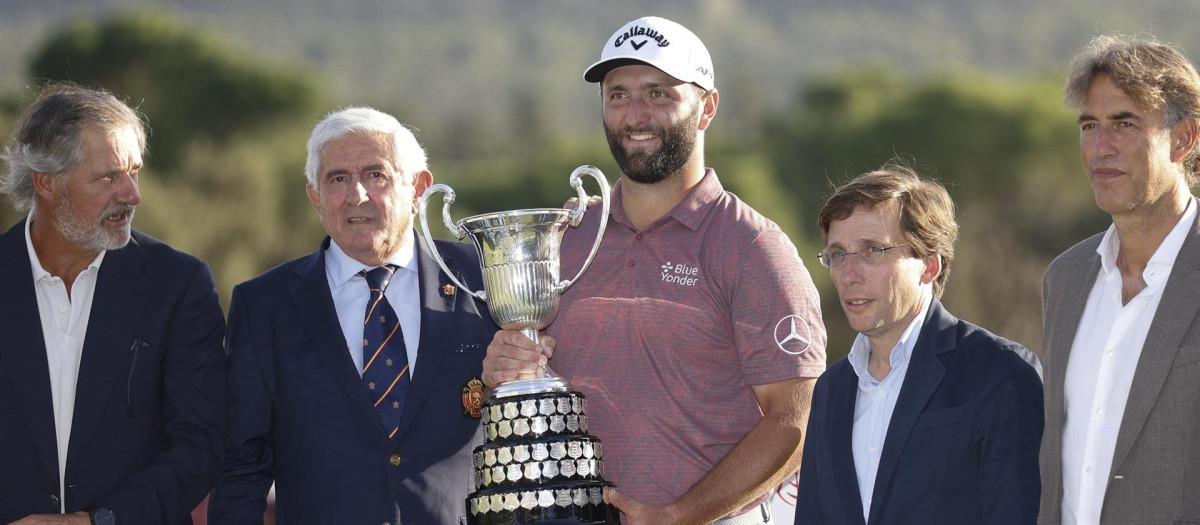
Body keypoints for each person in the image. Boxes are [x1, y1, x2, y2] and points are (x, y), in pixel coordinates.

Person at [482, 16, 827, 525]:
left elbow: (794, 421)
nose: (635, 114)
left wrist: (680, 515)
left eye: (659, 93)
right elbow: (526, 380)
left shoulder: (752, 246)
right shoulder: (567, 236)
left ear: (706, 107)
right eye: (617, 94)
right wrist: (505, 372)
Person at [207, 107, 499, 524]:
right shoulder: (263, 306)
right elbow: (240, 465)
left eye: (376, 174)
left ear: (418, 189)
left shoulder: (484, 278)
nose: (356, 194)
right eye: (337, 179)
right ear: (315, 197)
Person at [0, 84, 227, 524]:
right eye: (108, 177)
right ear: (46, 182)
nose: (132, 194)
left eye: (134, 171)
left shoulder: (179, 284)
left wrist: (97, 521)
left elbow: (200, 445)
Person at [793, 164, 1044, 525]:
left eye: (872, 250)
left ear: (929, 265)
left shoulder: (1001, 373)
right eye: (838, 254)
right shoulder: (831, 390)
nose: (849, 274)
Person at [1039, 34, 1200, 524]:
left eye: (1124, 124)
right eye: (1089, 126)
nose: (1100, 147)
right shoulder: (1063, 279)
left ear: (1184, 139)